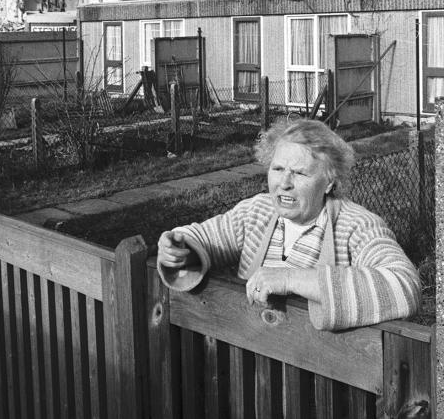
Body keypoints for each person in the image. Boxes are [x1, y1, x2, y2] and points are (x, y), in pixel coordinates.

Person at [157, 119, 421, 331]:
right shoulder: (256, 211)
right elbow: (202, 237)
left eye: (300, 173)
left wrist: (289, 278)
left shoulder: (356, 225)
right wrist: (177, 246)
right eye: (278, 168)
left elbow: (404, 286)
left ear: (329, 182)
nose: (284, 183)